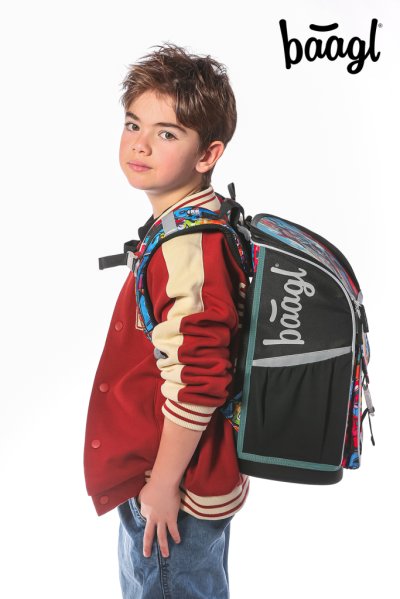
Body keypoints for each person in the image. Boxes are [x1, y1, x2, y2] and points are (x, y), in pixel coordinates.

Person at [83, 41, 250, 598]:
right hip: (176, 476)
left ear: (208, 155)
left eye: (167, 134)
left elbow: (199, 376)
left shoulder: (187, 245)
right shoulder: (189, 224)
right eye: (134, 124)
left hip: (173, 487)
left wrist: (161, 484)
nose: (140, 144)